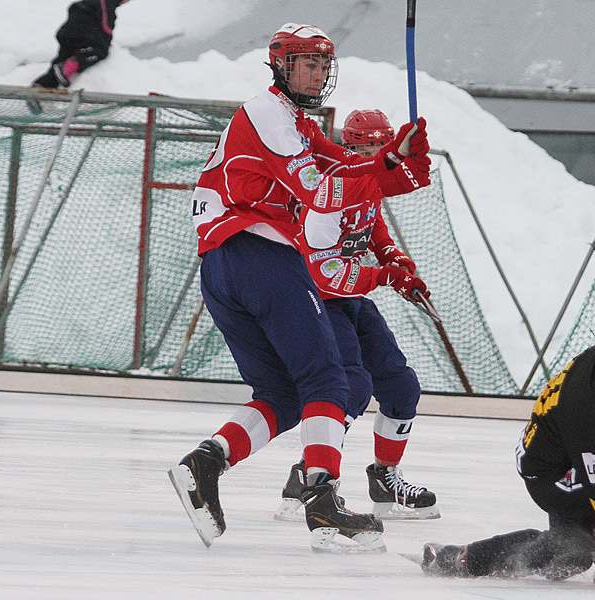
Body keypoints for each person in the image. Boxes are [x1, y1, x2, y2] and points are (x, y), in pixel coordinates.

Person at [167, 23, 432, 553]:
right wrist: (385, 165)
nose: (316, 74)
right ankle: (323, 503)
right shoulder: (267, 113)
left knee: (283, 394)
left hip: (230, 265)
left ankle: (205, 464)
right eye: (306, 63)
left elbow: (350, 167)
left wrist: (403, 162)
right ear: (280, 65)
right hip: (258, 258)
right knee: (330, 382)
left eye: (322, 65)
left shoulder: (295, 122)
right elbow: (321, 188)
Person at [420, 298, 595, 592]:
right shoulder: (590, 404)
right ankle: (464, 559)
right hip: (550, 475)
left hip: (587, 451)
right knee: (574, 548)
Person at [273, 109, 438, 523]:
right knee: (351, 387)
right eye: (363, 148)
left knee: (401, 385)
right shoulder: (326, 199)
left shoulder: (371, 187)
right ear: (348, 150)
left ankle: (385, 479)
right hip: (319, 300)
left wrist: (393, 257)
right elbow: (326, 274)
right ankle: (311, 479)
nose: (374, 154)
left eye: (380, 146)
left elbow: (371, 224)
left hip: (352, 297)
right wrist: (385, 276)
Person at [32, 0, 130, 90]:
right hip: (80, 33)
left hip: (68, 33)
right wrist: (106, 44)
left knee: (63, 58)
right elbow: (106, 28)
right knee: (100, 51)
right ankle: (70, 65)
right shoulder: (107, 3)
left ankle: (41, 86)